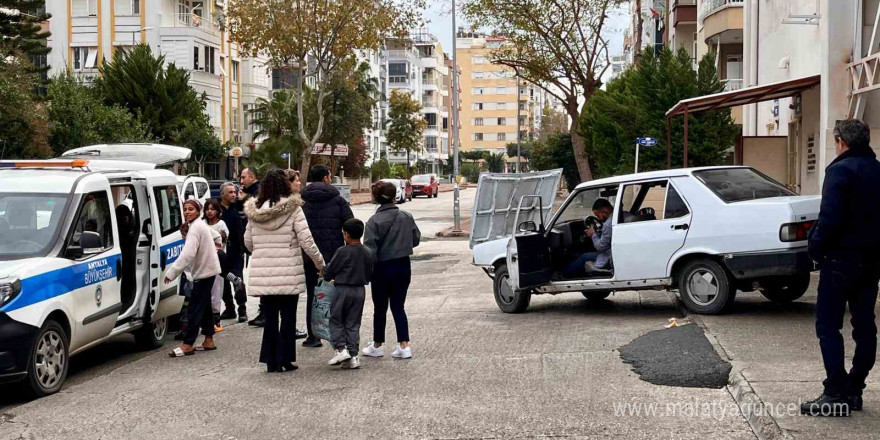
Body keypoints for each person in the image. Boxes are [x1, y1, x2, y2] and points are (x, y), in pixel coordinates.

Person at [801, 119, 880, 417]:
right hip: (871, 262)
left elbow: (829, 220)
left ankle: (835, 390)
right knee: (864, 325)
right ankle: (855, 388)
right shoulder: (878, 170)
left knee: (828, 325)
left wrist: (815, 246)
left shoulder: (839, 171)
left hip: (839, 261)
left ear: (841, 142)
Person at [244, 168, 325, 373]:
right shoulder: (294, 209)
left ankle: (270, 360)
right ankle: (286, 359)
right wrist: (320, 263)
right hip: (289, 271)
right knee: (288, 317)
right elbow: (306, 240)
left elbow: (248, 242)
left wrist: (262, 251)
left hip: (264, 272)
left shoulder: (254, 211)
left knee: (270, 317)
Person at [362, 181, 420, 359]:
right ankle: (404, 345)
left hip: (381, 267)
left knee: (380, 307)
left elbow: (369, 249)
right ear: (395, 196)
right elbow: (415, 239)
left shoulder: (373, 221)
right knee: (398, 306)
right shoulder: (406, 216)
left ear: (376, 198)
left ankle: (377, 344)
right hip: (403, 265)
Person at [300, 164, 354, 348]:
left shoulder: (301, 200)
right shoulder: (338, 200)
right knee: (336, 296)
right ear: (325, 178)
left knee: (312, 294)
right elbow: (350, 225)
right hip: (334, 256)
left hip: (308, 256)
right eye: (330, 176)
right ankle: (336, 336)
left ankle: (313, 336)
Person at [165, 199, 221, 357]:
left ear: (198, 211)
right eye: (185, 209)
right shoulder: (199, 225)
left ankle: (188, 343)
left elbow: (187, 254)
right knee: (205, 307)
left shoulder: (195, 228)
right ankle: (208, 339)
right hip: (208, 271)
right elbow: (218, 237)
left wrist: (172, 272)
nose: (187, 212)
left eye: (191, 209)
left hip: (204, 273)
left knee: (194, 308)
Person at [324, 218, 375, 370]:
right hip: (359, 290)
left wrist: (325, 272)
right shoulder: (368, 252)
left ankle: (341, 349)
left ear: (346, 234)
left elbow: (330, 271)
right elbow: (370, 273)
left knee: (337, 319)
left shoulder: (343, 251)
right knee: (353, 323)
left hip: (342, 289)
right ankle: (353, 356)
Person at [562, 198, 615, 279]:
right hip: (612, 251)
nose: (599, 218)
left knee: (584, 256)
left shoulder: (608, 224)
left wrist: (593, 234)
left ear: (605, 210)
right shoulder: (618, 216)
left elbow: (600, 247)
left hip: (610, 256)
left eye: (598, 215)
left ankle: (564, 275)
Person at [219, 183, 248, 323]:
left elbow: (247, 221)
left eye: (234, 192)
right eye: (230, 192)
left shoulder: (238, 207)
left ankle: (242, 308)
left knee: (238, 279)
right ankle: (229, 308)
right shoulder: (215, 208)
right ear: (222, 195)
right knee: (223, 280)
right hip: (222, 252)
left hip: (236, 249)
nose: (233, 195)